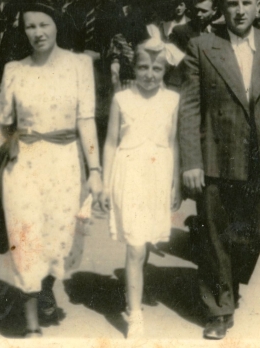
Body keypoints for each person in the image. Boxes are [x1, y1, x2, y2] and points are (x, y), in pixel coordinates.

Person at [179, 0, 260, 340]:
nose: (240, 10)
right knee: (216, 233)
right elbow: (189, 109)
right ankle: (219, 308)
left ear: (258, 4)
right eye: (232, 4)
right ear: (222, 8)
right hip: (217, 154)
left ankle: (228, 279)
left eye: (247, 3)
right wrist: (191, 161)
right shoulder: (202, 46)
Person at [0, 0, 102, 338]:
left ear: (56, 25)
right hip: (23, 164)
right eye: (30, 26)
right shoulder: (14, 69)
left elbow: (86, 120)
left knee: (60, 238)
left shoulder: (79, 65)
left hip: (65, 162)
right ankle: (31, 327)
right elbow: (0, 122)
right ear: (22, 31)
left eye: (44, 24)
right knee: (25, 237)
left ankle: (44, 289)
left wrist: (95, 169)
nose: (37, 32)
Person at [101, 39, 181, 338]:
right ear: (133, 68)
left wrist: (175, 183)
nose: (149, 74)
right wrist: (106, 185)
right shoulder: (122, 99)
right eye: (143, 67)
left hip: (158, 175)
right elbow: (110, 143)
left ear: (164, 71)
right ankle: (134, 315)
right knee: (135, 245)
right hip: (129, 174)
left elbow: (172, 143)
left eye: (156, 68)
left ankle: (132, 292)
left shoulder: (172, 100)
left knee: (146, 241)